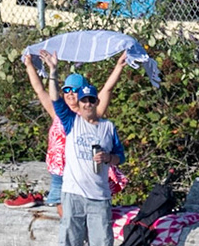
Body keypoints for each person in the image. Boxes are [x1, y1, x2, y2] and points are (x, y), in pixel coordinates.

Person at [22, 51, 128, 205]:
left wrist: (119, 66)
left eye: (76, 90)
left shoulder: (91, 113)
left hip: (83, 173)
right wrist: (29, 65)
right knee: (58, 209)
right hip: (60, 173)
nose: (70, 93)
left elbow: (106, 90)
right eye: (66, 89)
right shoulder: (58, 112)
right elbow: (39, 90)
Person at [60, 77, 121, 246]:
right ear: (79, 102)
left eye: (91, 100)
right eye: (83, 100)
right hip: (73, 192)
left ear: (96, 102)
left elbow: (119, 156)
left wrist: (108, 158)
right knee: (73, 240)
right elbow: (50, 98)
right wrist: (53, 71)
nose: (87, 104)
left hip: (99, 194)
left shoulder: (108, 127)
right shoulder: (71, 122)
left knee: (102, 241)